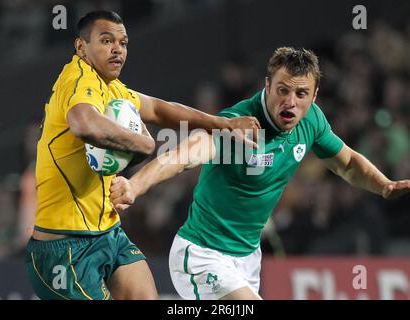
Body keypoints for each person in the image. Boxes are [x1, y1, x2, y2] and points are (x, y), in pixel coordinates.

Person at [110, 47, 410, 300]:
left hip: (249, 259)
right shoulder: (239, 124)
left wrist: (385, 186)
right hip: (202, 256)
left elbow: (346, 163)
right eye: (282, 90)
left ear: (314, 97)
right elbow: (184, 155)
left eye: (301, 94)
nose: (290, 102)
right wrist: (135, 185)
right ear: (267, 86)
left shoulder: (312, 121)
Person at [25, 10, 259, 300]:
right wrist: (142, 144)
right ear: (81, 47)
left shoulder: (112, 88)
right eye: (106, 40)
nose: (117, 49)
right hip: (63, 252)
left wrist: (224, 123)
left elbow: (160, 110)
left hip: (108, 234)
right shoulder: (77, 78)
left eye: (123, 43)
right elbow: (84, 124)